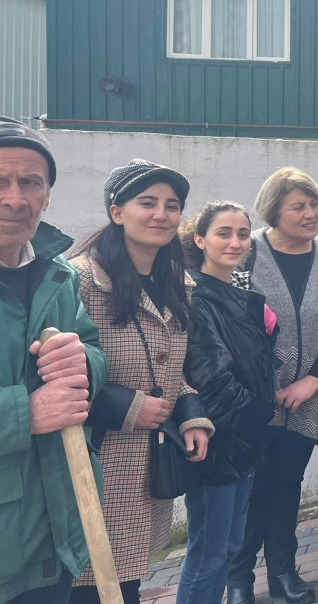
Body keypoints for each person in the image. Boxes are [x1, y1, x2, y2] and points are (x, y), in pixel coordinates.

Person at [70, 159, 213, 604]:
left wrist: (191, 416)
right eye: (147, 203)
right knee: (88, 584)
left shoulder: (176, 283)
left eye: (172, 206)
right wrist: (129, 406)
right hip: (92, 462)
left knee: (124, 583)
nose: (161, 215)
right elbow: (50, 377)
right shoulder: (79, 280)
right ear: (117, 212)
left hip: (147, 464)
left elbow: (175, 372)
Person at [227, 168, 318, 604]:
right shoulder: (247, 255)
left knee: (287, 484)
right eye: (298, 206)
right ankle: (238, 577)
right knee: (250, 487)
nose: (310, 213)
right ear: (274, 211)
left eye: (314, 204)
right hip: (251, 400)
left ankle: (283, 571)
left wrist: (312, 381)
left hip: (309, 399)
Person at [0, 118, 108, 604]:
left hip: (54, 533)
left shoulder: (58, 274)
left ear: (47, 196)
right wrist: (25, 413)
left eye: (30, 182)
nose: (15, 199)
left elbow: (94, 352)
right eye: (0, 181)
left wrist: (83, 362)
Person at [176, 202, 277, 604]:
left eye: (243, 234)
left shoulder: (236, 293)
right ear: (200, 239)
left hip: (243, 440)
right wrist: (256, 414)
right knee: (209, 553)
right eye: (224, 233)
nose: (235, 242)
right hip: (219, 442)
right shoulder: (197, 297)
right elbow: (211, 377)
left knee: (229, 548)